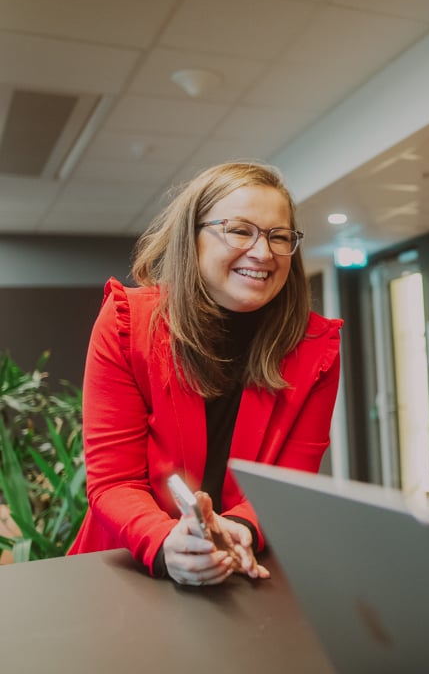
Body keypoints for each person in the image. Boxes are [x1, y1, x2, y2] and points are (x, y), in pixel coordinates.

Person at [68, 162, 342, 586]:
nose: (263, 253)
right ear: (191, 238)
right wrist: (166, 543)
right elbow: (114, 483)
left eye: (279, 236)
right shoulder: (126, 323)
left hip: (243, 568)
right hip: (131, 568)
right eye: (239, 230)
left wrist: (243, 527)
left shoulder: (315, 348)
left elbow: (289, 484)